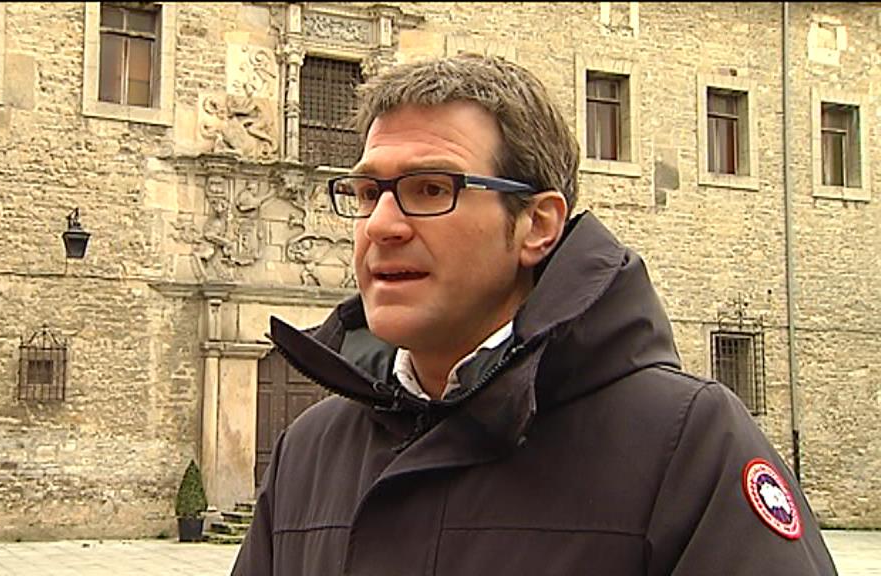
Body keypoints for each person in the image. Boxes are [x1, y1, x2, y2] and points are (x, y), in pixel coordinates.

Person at [232, 54, 836, 575]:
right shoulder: (308, 451)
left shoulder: (689, 446)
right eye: (369, 194)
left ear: (537, 225)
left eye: (431, 189)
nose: (381, 226)